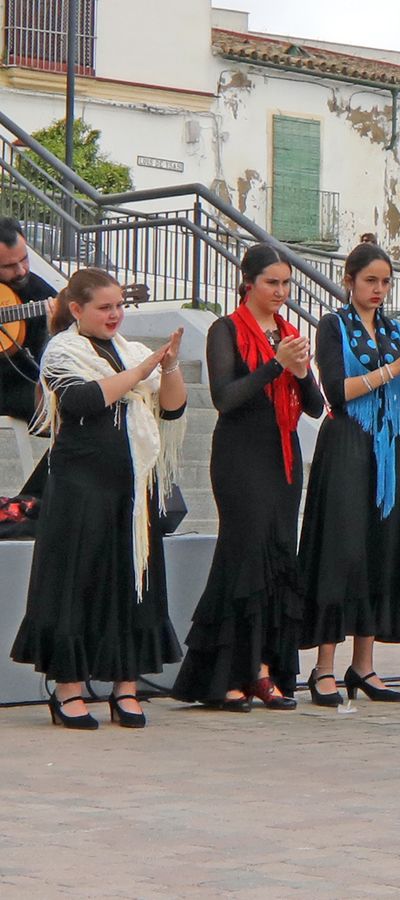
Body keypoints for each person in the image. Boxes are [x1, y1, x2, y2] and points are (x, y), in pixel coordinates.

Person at [10, 268, 186, 729]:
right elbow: (84, 401)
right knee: (76, 581)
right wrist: (141, 372)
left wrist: (168, 366)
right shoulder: (61, 350)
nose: (114, 315)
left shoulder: (133, 351)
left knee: (130, 583)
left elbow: (173, 408)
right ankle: (68, 690)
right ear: (77, 309)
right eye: (104, 307)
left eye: (119, 306)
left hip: (131, 485)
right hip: (79, 484)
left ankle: (125, 686)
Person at [171, 244, 323, 711]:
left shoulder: (289, 332)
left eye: (286, 283)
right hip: (240, 457)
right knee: (244, 558)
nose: (280, 291)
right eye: (271, 282)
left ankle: (262, 670)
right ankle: (232, 674)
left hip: (283, 459)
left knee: (277, 556)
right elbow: (225, 397)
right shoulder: (226, 329)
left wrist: (300, 372)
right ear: (249, 282)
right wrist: (276, 364)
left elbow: (316, 407)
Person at [299, 243, 400, 706]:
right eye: (370, 281)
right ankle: (323, 667)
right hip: (347, 443)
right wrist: (395, 367)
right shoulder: (333, 325)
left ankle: (363, 665)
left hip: (387, 448)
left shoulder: (396, 331)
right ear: (350, 281)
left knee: (380, 549)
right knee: (340, 550)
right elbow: (335, 391)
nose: (378, 290)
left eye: (385, 282)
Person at [0, 218, 58, 426]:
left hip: (19, 382)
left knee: (59, 402)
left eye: (24, 259)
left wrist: (54, 328)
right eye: (8, 266)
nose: (21, 271)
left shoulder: (40, 292)